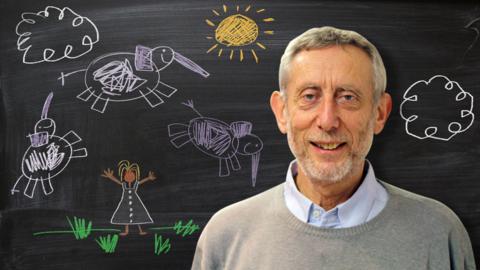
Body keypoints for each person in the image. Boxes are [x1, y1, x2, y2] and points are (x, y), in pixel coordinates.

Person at [191, 26, 476, 269]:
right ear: (282, 112)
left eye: (348, 97)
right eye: (310, 96)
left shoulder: (440, 233)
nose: (328, 121)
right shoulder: (226, 236)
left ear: (379, 113)